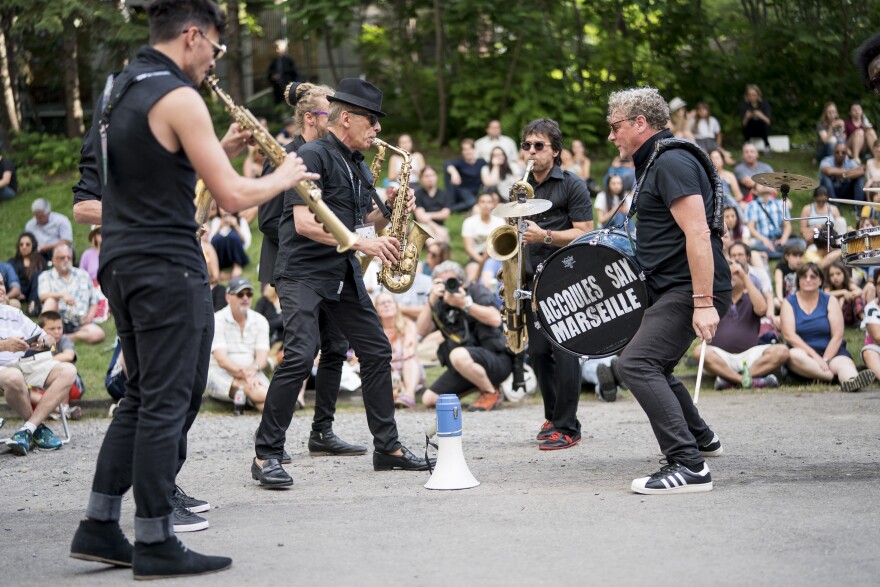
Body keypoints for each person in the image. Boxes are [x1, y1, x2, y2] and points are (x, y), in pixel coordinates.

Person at [68, 0, 318, 578]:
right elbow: (230, 198)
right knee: (166, 400)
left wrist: (222, 148)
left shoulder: (117, 90)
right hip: (166, 263)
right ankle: (155, 538)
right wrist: (285, 173)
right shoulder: (179, 96)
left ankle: (100, 526)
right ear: (191, 36)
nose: (214, 60)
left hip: (122, 260)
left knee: (137, 394)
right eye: (215, 48)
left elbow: (152, 169)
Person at [254, 76, 432, 490]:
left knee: (375, 349)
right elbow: (302, 222)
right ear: (346, 118)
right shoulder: (311, 155)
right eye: (371, 120)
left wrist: (391, 212)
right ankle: (266, 454)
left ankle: (386, 448)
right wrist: (360, 242)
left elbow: (365, 222)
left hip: (339, 271)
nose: (378, 129)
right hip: (301, 271)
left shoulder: (354, 164)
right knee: (300, 354)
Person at [608, 86, 731, 494]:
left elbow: (698, 233)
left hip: (689, 288)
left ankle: (688, 465)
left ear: (640, 123)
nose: (612, 137)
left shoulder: (672, 161)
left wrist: (702, 302)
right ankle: (699, 436)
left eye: (616, 127)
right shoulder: (658, 161)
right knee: (638, 357)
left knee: (636, 364)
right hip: (674, 287)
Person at [257, 80, 361, 460]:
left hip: (330, 264)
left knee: (335, 346)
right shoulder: (287, 155)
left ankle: (323, 431)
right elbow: (269, 220)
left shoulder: (333, 153)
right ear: (309, 117)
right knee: (301, 352)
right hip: (296, 265)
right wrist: (321, 232)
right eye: (327, 112)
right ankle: (269, 443)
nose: (335, 118)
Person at [518, 118, 592, 450]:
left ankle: (568, 426)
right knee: (537, 351)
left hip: (565, 276)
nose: (531, 151)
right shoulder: (520, 188)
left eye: (539, 146)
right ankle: (552, 416)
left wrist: (545, 235)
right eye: (526, 145)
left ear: (556, 150)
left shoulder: (572, 185)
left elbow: (585, 232)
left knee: (565, 351)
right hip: (531, 278)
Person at [417, 261, 510, 411]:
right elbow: (420, 332)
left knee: (458, 355)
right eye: (442, 282)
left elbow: (495, 319)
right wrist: (431, 300)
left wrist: (464, 304)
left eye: (451, 281)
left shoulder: (477, 291)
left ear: (462, 281)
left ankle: (491, 393)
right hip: (463, 365)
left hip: (496, 359)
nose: (448, 285)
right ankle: (482, 384)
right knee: (430, 399)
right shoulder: (440, 302)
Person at [0, 278, 76, 456]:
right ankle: (37, 429)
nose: (1, 288)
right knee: (13, 376)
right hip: (5, 370)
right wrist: (5, 346)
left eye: (2, 283)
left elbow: (48, 338)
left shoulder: (13, 313)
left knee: (68, 371)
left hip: (24, 363)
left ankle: (28, 429)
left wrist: (42, 341)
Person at [780, 263, 875, 393]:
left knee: (843, 363)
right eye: (804, 276)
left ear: (820, 281)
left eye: (813, 276)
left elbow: (837, 335)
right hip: (803, 352)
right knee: (793, 355)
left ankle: (851, 381)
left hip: (831, 350)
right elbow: (789, 335)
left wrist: (826, 359)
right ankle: (833, 378)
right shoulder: (789, 302)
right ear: (799, 281)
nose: (808, 280)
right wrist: (817, 358)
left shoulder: (830, 300)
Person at [696, 259, 788, 390]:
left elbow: (762, 309)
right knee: (700, 351)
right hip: (722, 357)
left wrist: (744, 276)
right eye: (727, 273)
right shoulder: (715, 298)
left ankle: (730, 381)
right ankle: (744, 380)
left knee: (782, 351)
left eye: (735, 273)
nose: (731, 276)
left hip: (750, 356)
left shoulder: (752, 296)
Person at [205, 277, 271, 412]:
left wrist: (254, 369)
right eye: (240, 294)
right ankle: (281, 402)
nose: (245, 298)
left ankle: (267, 405)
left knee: (263, 404)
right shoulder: (217, 319)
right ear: (228, 298)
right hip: (220, 373)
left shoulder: (260, 320)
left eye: (249, 294)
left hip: (252, 373)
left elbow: (262, 358)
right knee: (253, 389)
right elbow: (222, 360)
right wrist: (246, 376)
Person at [37, 244, 105, 344]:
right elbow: (43, 296)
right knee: (50, 301)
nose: (66, 260)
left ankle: (65, 338)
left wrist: (90, 316)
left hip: (79, 323)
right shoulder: (46, 276)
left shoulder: (83, 275)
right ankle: (49, 333)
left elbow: (94, 300)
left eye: (69, 257)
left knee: (98, 334)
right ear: (54, 260)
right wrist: (62, 295)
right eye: (62, 258)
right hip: (57, 321)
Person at [374, 292, 423, 409]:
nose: (386, 305)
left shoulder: (408, 324)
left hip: (407, 368)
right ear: (376, 309)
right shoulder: (374, 330)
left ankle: (409, 396)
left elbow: (409, 351)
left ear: (396, 306)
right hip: (386, 368)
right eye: (382, 303)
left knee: (411, 360)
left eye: (389, 302)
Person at [744, 184, 799, 260]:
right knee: (752, 245)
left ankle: (775, 253)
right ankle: (784, 254)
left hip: (778, 240)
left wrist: (783, 239)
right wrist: (764, 240)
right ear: (754, 191)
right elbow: (751, 227)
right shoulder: (751, 206)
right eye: (760, 183)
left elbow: (787, 225)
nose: (764, 185)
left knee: (800, 243)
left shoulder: (780, 204)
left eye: (767, 183)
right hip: (762, 241)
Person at [461, 192, 505, 283]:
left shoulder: (500, 221)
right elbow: (468, 247)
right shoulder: (469, 222)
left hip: (495, 257)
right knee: (471, 280)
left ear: (493, 204)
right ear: (478, 204)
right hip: (476, 257)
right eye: (483, 202)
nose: (486, 205)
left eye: (489, 202)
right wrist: (481, 261)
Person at [445, 138, 487, 212]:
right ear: (462, 152)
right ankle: (449, 209)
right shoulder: (460, 162)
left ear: (474, 149)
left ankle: (453, 208)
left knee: (474, 201)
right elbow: (447, 164)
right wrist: (454, 172)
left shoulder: (481, 162)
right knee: (472, 201)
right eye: (465, 149)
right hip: (462, 191)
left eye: (470, 149)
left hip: (475, 191)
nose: (468, 152)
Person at [8, 232, 45, 315]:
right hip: (18, 291)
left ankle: (32, 304)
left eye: (27, 244)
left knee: (38, 275)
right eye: (21, 244)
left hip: (34, 290)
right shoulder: (13, 262)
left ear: (33, 245)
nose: (24, 247)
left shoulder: (39, 261)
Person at [413, 165, 451, 243]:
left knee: (444, 242)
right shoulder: (418, 194)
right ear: (421, 179)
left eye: (432, 175)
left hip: (440, 226)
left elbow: (446, 214)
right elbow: (420, 217)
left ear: (436, 177)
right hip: (421, 225)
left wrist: (429, 215)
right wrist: (436, 227)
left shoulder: (443, 194)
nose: (430, 178)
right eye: (426, 176)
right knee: (432, 240)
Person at [824, 260, 864, 326]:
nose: (835, 277)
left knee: (857, 298)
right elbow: (825, 294)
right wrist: (843, 292)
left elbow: (859, 291)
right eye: (831, 275)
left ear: (844, 274)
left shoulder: (848, 284)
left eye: (838, 273)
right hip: (834, 316)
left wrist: (845, 297)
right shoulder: (828, 286)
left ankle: (864, 320)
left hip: (849, 315)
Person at [740, 84, 772, 150]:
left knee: (760, 123)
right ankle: (747, 144)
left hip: (762, 129)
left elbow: (768, 122)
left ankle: (767, 145)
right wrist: (747, 117)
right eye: (750, 95)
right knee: (751, 122)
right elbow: (743, 124)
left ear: (758, 95)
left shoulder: (764, 105)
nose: (752, 97)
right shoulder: (744, 106)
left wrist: (760, 115)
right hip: (750, 129)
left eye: (754, 95)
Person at [267, 39, 299, 105]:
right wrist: (273, 77)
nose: (277, 50)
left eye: (279, 48)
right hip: (278, 90)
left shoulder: (289, 61)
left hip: (287, 88)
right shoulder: (274, 62)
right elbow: (269, 74)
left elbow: (295, 74)